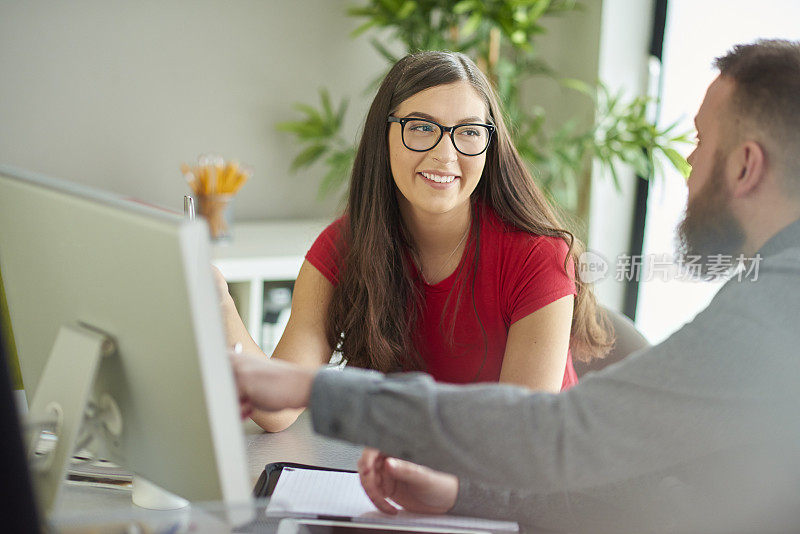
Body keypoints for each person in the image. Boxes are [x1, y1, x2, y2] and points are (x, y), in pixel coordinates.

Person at [230, 39, 800, 533]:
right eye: (421, 128)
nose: (687, 163)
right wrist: (457, 494)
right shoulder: (770, 297)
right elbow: (670, 495)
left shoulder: (771, 314)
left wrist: (315, 389)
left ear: (746, 165)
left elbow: (551, 434)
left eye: (700, 143)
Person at [218, 51, 612, 432]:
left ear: (489, 146)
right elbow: (277, 409)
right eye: (422, 127)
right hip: (412, 471)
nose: (446, 153)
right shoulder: (346, 245)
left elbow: (512, 436)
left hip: (527, 484)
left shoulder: (537, 257)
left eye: (470, 132)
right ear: (384, 134)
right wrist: (219, 303)